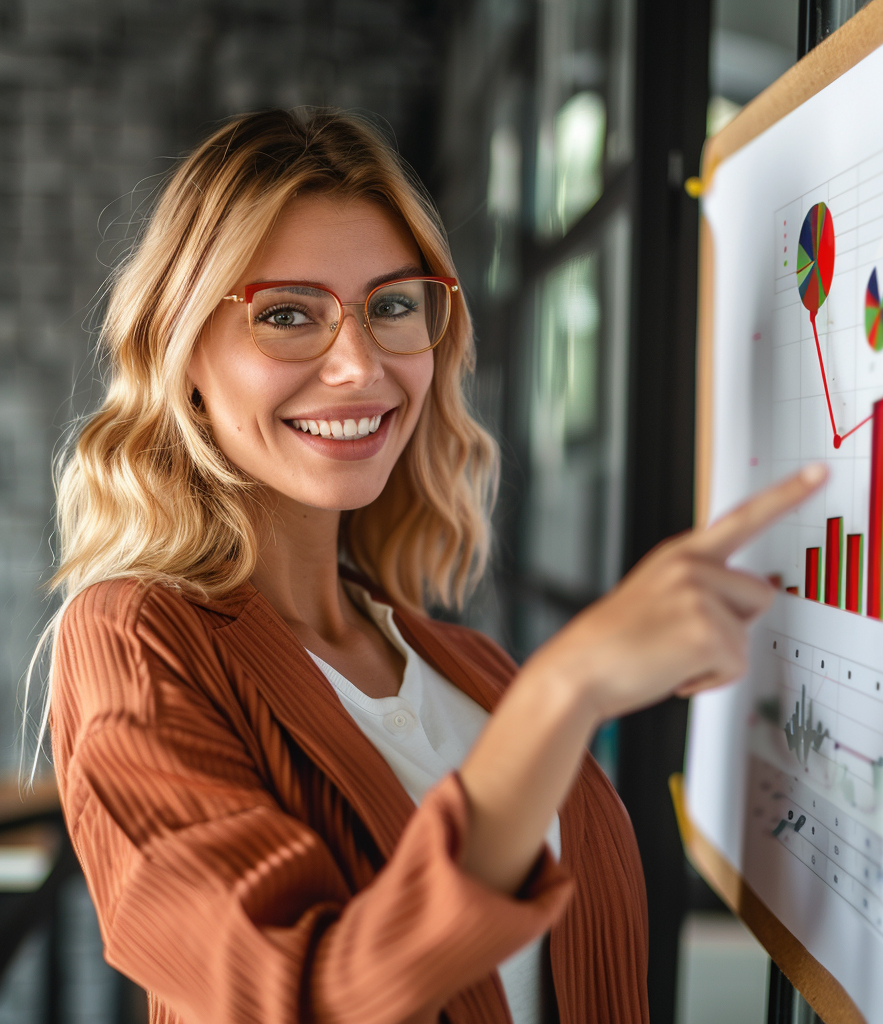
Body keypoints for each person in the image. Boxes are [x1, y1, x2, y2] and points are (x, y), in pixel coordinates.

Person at [35, 108, 826, 1024]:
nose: (359, 365)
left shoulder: (472, 669)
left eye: (393, 305)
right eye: (287, 314)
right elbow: (302, 996)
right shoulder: (132, 638)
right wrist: (565, 692)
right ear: (185, 356)